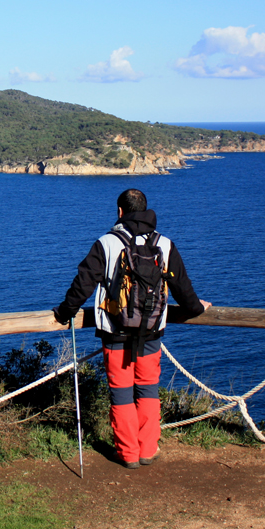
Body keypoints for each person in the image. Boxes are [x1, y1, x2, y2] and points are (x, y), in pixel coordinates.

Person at [53, 188, 211, 469]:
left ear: (120, 212)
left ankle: (127, 453)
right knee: (148, 389)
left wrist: (65, 312)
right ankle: (148, 449)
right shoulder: (165, 244)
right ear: (146, 210)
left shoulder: (107, 243)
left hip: (116, 332)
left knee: (121, 392)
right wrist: (198, 308)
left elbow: (82, 286)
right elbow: (183, 289)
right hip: (151, 331)